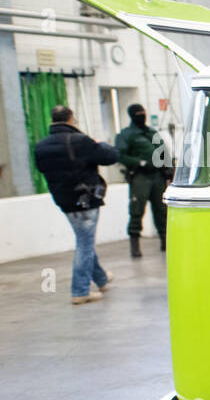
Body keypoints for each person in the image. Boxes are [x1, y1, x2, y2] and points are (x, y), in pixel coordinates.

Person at [32, 106, 119, 305]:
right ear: (71, 119)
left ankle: (101, 279)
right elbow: (111, 157)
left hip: (63, 200)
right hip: (85, 199)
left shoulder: (41, 146)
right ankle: (80, 291)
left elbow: (41, 168)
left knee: (84, 239)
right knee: (85, 244)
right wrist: (100, 144)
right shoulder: (81, 141)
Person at [114, 103, 169, 257]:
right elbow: (120, 155)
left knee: (162, 210)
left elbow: (163, 151)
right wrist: (139, 162)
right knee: (137, 210)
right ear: (132, 115)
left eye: (142, 112)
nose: (141, 115)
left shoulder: (151, 132)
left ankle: (165, 241)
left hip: (157, 176)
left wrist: (168, 169)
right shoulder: (125, 135)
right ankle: (135, 245)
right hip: (140, 176)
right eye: (138, 113)